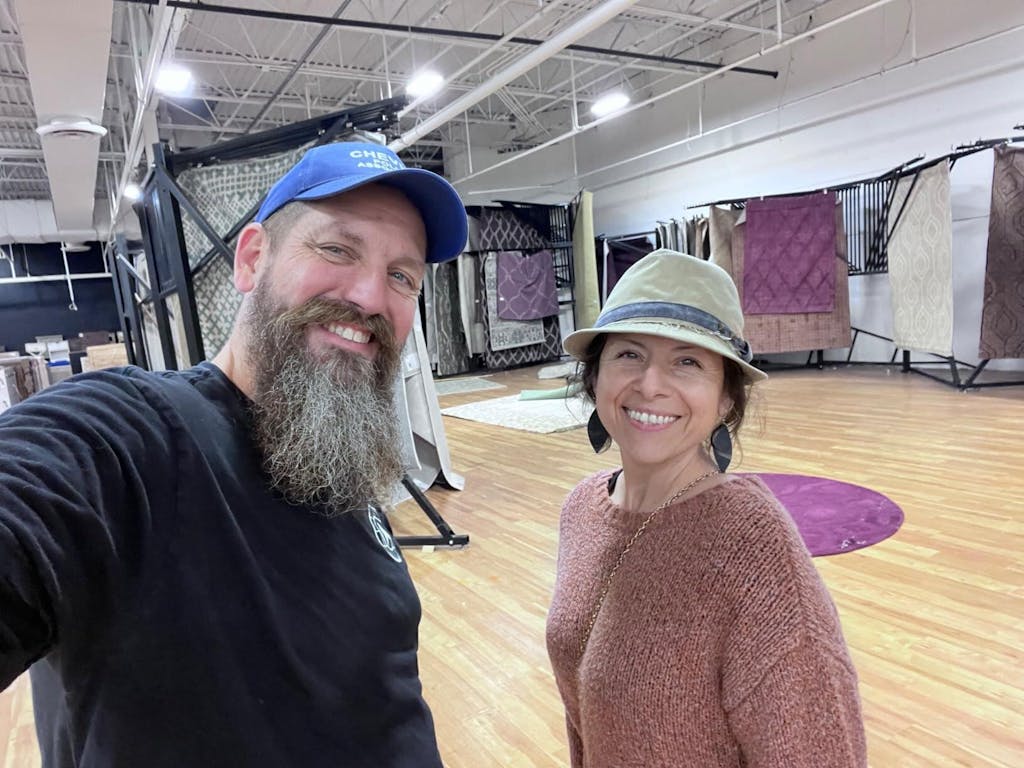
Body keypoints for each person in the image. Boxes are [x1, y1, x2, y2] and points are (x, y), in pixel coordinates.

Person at [0, 141, 468, 767]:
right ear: (251, 259)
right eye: (337, 249)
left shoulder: (331, 459)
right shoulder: (134, 436)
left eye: (402, 276)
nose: (369, 297)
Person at [546, 249, 867, 767]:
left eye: (688, 362)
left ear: (725, 399)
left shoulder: (753, 549)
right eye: (629, 354)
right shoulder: (582, 509)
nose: (650, 384)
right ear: (595, 377)